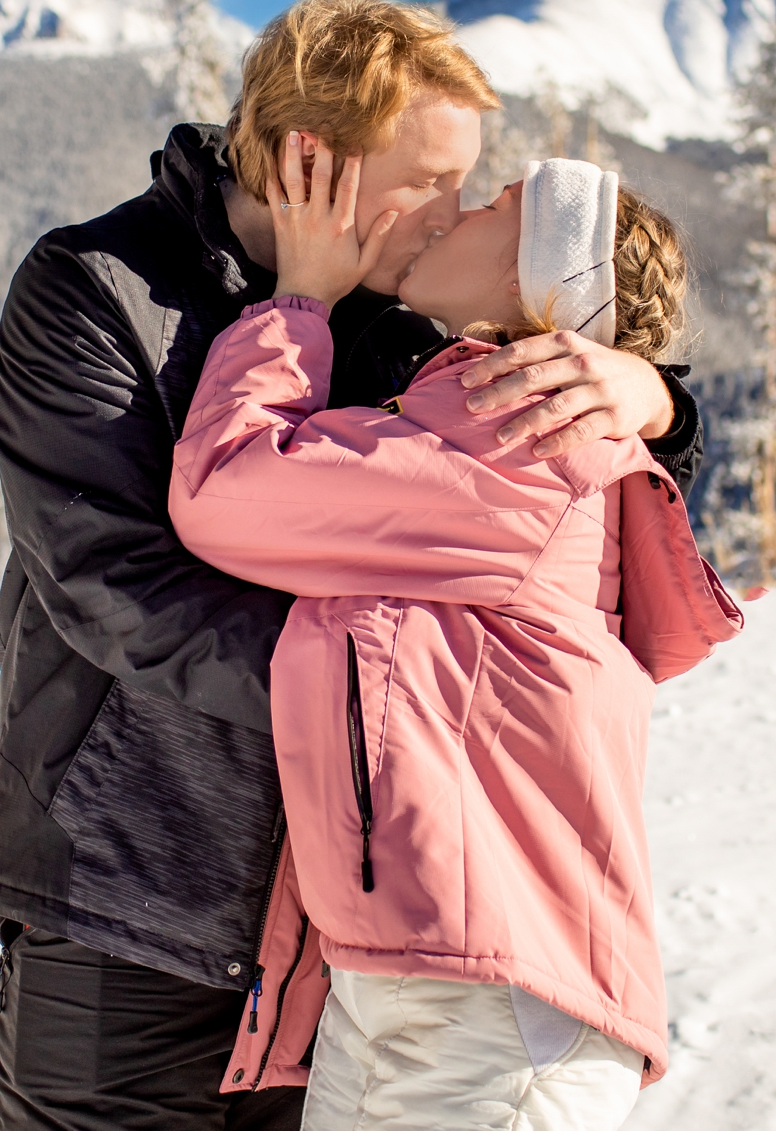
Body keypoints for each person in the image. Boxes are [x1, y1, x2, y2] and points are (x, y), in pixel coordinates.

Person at [0, 0, 707, 1129]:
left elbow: (537, 491)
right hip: (132, 899)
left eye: (471, 187)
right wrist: (385, 710)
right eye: (429, 180)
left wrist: (654, 391)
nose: (447, 211)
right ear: (310, 160)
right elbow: (114, 590)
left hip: (342, 939)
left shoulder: (402, 321)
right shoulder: (96, 290)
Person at [169, 135, 745, 1130]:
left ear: (542, 283)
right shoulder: (465, 408)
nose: (458, 207)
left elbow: (226, 490)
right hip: (420, 984)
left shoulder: (515, 431)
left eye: (495, 205)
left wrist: (298, 298)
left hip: (496, 1018)